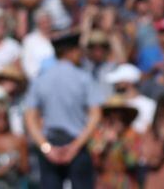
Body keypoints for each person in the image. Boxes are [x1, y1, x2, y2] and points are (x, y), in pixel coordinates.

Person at [23, 29, 104, 189]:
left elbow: (30, 118)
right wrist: (75, 146)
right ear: (72, 52)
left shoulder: (41, 79)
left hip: (51, 146)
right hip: (76, 146)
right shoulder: (84, 78)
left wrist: (46, 147)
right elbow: (96, 115)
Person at [88, 95, 143, 189]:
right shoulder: (98, 134)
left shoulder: (133, 135)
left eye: (120, 116)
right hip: (103, 182)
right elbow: (93, 160)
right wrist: (105, 143)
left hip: (125, 183)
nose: (116, 120)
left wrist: (119, 142)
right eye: (112, 116)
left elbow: (132, 162)